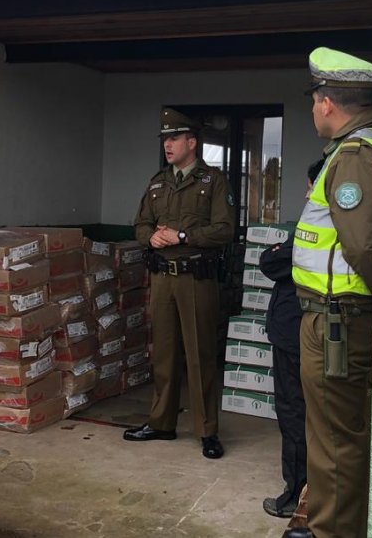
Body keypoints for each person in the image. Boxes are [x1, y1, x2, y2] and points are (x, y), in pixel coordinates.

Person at [288, 48, 372, 538]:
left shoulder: (353, 157)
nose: (312, 111)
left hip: (337, 322)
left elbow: (362, 246)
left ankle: (333, 532)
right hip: (334, 319)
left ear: (326, 103)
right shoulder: (354, 152)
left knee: (335, 443)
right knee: (330, 436)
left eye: (313, 102)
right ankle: (327, 522)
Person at [124, 108, 235, 459]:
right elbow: (140, 225)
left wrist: (183, 235)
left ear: (192, 142)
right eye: (165, 140)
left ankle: (207, 430)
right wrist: (150, 238)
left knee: (200, 353)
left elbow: (225, 229)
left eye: (174, 139)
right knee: (165, 354)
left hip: (196, 279)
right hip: (162, 279)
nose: (168, 145)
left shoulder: (212, 181)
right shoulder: (158, 182)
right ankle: (161, 423)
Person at [261, 159, 323, 519]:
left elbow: (272, 263)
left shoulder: (318, 224)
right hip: (299, 328)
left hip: (295, 331)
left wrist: (277, 255)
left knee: (294, 411)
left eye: (310, 185)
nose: (306, 192)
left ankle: (296, 494)